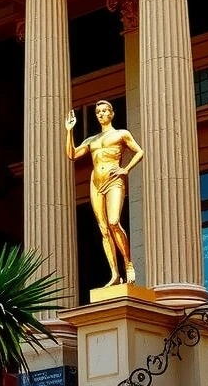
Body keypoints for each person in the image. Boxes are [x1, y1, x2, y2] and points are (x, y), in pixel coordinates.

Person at [65, 100, 144, 287]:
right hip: (96, 182)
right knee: (103, 229)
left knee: (114, 222)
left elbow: (139, 151)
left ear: (112, 113)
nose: (101, 114)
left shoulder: (121, 134)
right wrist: (69, 131)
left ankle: (128, 263)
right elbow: (72, 154)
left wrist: (126, 169)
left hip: (114, 179)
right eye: (98, 112)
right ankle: (115, 274)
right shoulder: (92, 140)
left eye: (104, 111)